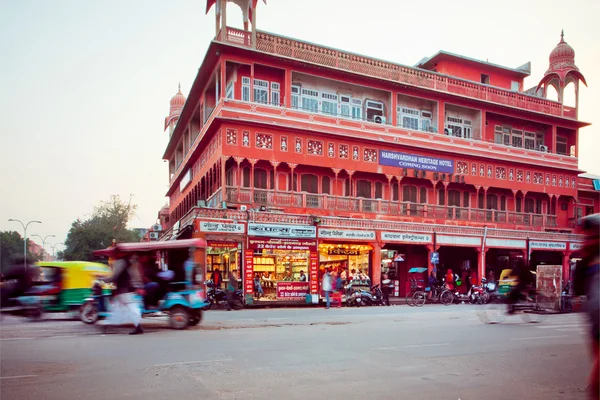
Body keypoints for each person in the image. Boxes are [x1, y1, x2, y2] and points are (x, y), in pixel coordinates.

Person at [574, 214, 599, 399]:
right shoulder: (586, 262)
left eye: (593, 236)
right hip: (595, 325)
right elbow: (578, 289)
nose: (587, 241)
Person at [105, 253, 144, 335]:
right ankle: (138, 326)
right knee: (131, 309)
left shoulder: (121, 262)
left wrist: (104, 279)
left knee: (126, 308)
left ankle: (137, 326)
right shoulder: (130, 264)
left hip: (124, 291)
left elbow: (114, 277)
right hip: (128, 290)